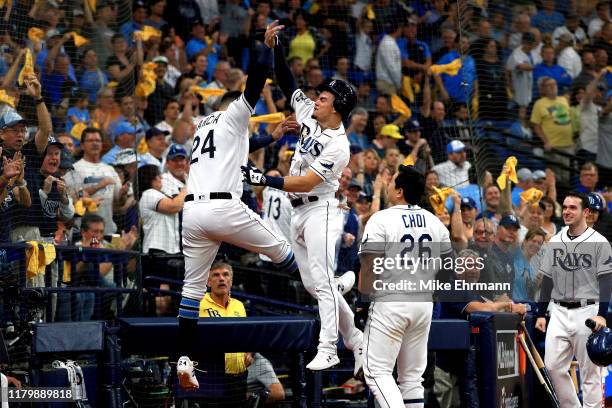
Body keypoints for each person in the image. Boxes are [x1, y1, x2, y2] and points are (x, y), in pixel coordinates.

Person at [176, 22, 299, 390]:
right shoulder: (233, 113)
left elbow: (237, 153)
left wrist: (271, 136)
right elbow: (255, 83)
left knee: (190, 292)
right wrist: (264, 49)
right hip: (223, 210)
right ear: (235, 110)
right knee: (283, 253)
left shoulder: (204, 125)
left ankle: (184, 360)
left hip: (193, 214)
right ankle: (327, 290)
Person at [241, 31, 364, 373]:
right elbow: (285, 81)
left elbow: (308, 181)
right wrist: (276, 46)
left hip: (319, 210)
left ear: (337, 106)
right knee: (314, 284)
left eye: (324, 97)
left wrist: (265, 179)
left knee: (321, 284)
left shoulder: (339, 145)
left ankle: (330, 348)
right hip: (298, 213)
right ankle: (355, 337)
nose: (317, 98)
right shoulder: (309, 112)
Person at [357, 165, 453, 408]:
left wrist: (362, 301)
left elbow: (369, 265)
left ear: (399, 191)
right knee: (411, 378)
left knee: (376, 372)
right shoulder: (435, 222)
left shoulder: (381, 218)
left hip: (391, 301)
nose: (388, 185)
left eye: (392, 183)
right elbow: (448, 268)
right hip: (423, 304)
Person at [535, 191, 612, 408]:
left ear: (585, 212)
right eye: (565, 207)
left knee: (590, 373)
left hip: (587, 311)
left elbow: (606, 281)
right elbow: (548, 279)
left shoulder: (599, 241)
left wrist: (602, 315)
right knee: (552, 366)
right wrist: (541, 313)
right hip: (558, 311)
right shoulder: (556, 239)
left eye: (573, 208)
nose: (567, 211)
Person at [198, 262, 252, 406]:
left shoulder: (239, 306)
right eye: (216, 275)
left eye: (225, 274)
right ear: (209, 282)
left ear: (231, 281)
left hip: (238, 377)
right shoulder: (198, 304)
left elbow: (246, 335)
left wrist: (248, 354)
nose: (221, 278)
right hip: (211, 377)